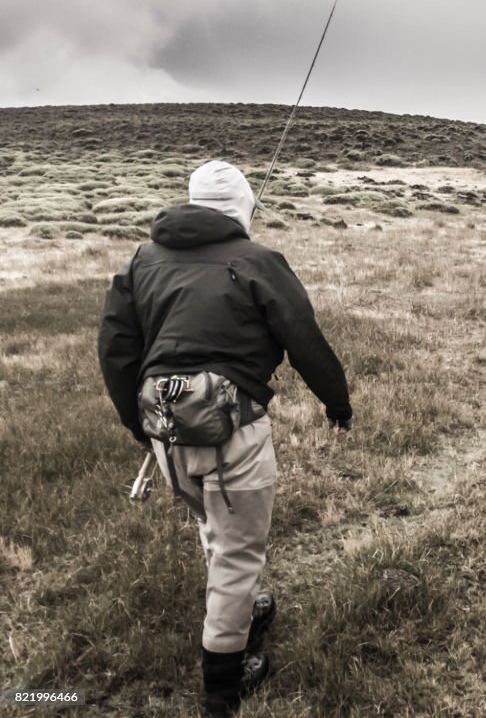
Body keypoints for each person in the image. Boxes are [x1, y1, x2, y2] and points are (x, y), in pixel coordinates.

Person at [98, 160, 353, 716]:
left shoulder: (142, 259)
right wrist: (337, 403)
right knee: (238, 555)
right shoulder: (258, 260)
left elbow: (116, 348)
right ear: (242, 207)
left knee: (213, 526)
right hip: (233, 428)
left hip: (164, 430)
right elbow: (303, 337)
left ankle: (238, 610)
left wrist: (137, 426)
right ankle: (224, 689)